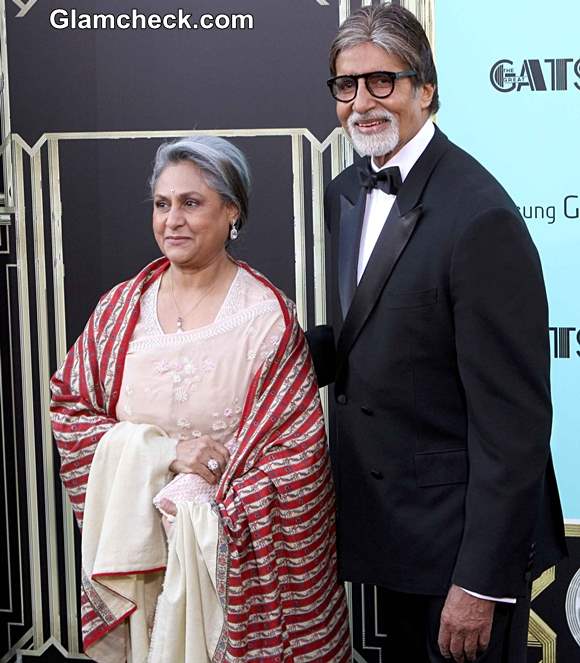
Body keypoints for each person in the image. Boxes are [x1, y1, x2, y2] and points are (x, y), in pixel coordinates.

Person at [307, 5, 567, 663]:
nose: (361, 103)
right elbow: (377, 330)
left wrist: (479, 582)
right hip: (389, 533)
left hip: (459, 553)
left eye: (382, 82)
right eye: (346, 85)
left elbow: (515, 425)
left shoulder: (480, 217)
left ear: (426, 88)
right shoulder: (346, 192)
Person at [50, 136, 351, 662]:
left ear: (232, 210)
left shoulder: (265, 318)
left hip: (229, 568)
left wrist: (204, 506)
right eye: (162, 204)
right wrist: (165, 457)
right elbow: (71, 410)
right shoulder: (120, 310)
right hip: (141, 562)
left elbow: (295, 459)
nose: (173, 220)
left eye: (192, 203)